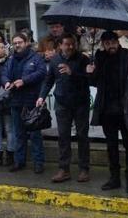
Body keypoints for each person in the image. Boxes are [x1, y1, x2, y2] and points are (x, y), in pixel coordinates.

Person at [87, 31, 128, 194]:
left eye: (113, 42)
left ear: (118, 42)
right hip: (107, 110)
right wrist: (90, 72)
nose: (110, 46)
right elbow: (93, 82)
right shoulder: (99, 58)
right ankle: (114, 178)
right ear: (103, 44)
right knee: (111, 146)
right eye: (107, 43)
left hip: (126, 110)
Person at [38, 34, 90, 183]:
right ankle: (64, 169)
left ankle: (84, 168)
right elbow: (48, 81)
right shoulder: (54, 60)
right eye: (67, 44)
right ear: (60, 45)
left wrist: (72, 72)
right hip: (62, 103)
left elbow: (89, 79)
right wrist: (41, 96)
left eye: (73, 44)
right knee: (63, 137)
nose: (71, 47)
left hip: (80, 102)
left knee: (82, 136)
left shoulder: (83, 59)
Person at [1, 33, 46, 173]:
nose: (17, 45)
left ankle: (38, 163)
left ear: (26, 43)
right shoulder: (11, 59)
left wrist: (24, 80)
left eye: (20, 42)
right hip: (16, 101)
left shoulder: (36, 57)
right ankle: (19, 161)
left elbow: (42, 73)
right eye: (14, 43)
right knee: (18, 134)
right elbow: (4, 74)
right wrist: (6, 82)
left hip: (31, 101)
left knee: (35, 135)